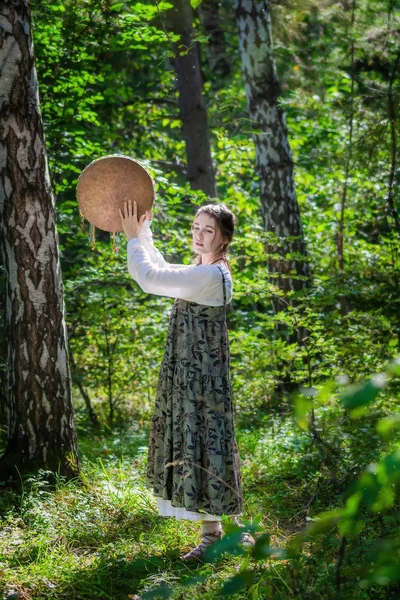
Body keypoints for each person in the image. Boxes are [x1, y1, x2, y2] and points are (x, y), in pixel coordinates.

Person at [119, 199, 251, 561]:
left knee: (203, 443)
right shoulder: (205, 270)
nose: (199, 234)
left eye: (208, 230)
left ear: (224, 238)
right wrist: (142, 232)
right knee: (207, 443)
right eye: (196, 227)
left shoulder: (210, 276)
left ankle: (216, 536)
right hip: (194, 374)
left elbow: (150, 279)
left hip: (200, 379)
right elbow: (162, 268)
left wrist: (133, 239)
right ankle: (231, 533)